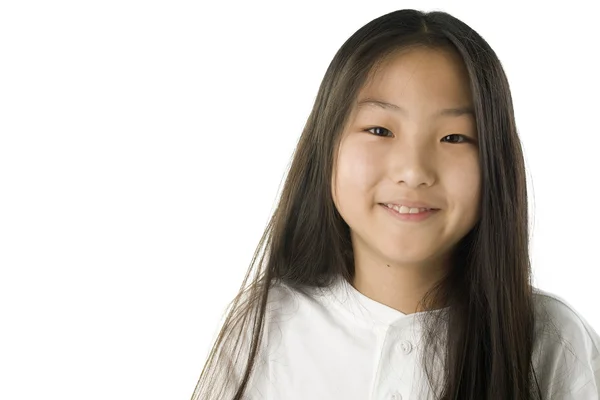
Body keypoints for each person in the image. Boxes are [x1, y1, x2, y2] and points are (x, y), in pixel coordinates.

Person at [191, 8, 600, 400]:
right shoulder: (268, 326)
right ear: (326, 147)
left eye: (454, 138)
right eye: (380, 129)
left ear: (496, 162)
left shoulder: (553, 339)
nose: (413, 170)